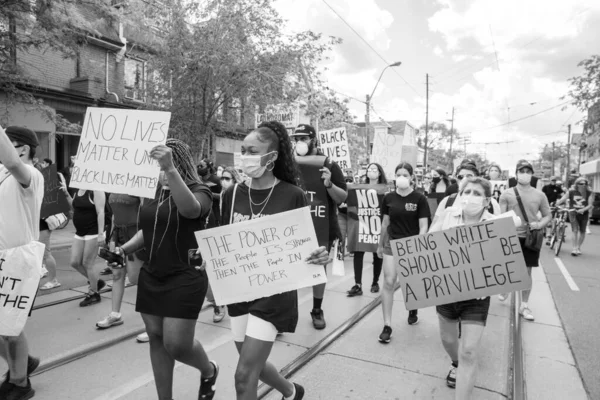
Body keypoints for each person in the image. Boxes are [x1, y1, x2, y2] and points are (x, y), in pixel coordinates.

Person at [220, 121, 330, 400]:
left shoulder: (293, 195)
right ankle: (292, 391)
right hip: (239, 291)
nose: (245, 156)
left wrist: (318, 255)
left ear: (271, 157)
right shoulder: (231, 195)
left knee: (244, 376)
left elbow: (306, 246)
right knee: (250, 361)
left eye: (252, 151)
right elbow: (221, 244)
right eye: (243, 150)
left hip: (273, 295)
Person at [110, 139, 219, 400]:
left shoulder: (199, 189)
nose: (156, 169)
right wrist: (124, 249)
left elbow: (191, 210)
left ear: (176, 161)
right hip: (153, 274)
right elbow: (147, 230)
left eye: (161, 163)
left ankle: (208, 370)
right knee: (156, 340)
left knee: (177, 344)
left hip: (185, 276)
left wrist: (170, 171)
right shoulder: (153, 192)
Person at [430, 177, 497, 397]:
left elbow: (500, 262)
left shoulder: (495, 224)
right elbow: (428, 245)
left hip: (477, 297)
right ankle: (455, 362)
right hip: (447, 290)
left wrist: (488, 284)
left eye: (477, 193)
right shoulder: (448, 216)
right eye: (467, 192)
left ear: (486, 200)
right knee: (449, 340)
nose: (471, 197)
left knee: (469, 351)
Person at [0, 125, 43, 400]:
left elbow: (12, 162)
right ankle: (23, 361)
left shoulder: (30, 176)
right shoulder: (2, 177)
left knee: (10, 327)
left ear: (23, 148)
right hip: (2, 261)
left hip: (19, 263)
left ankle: (20, 383)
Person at [291, 124, 348, 330]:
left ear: (313, 140)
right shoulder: (289, 163)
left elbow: (343, 198)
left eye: (304, 138)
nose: (300, 142)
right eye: (296, 138)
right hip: (295, 224)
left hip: (322, 224)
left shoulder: (329, 164)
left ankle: (317, 309)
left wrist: (329, 184)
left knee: (318, 267)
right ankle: (285, 312)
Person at [377, 162, 430, 342]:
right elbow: (385, 223)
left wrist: (418, 244)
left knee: (410, 281)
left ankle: (413, 308)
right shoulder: (389, 198)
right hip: (392, 244)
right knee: (389, 281)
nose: (401, 177)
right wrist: (379, 244)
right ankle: (387, 325)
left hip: (411, 245)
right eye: (398, 174)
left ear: (411, 177)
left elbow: (424, 225)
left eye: (405, 174)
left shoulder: (419, 199)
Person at [499, 160, 550, 320]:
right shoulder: (506, 194)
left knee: (527, 271)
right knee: (510, 268)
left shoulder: (540, 195)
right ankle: (507, 287)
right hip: (511, 236)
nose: (525, 174)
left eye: (528, 171)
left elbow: (548, 215)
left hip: (530, 237)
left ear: (532, 175)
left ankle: (524, 305)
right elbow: (501, 217)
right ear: (516, 174)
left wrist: (539, 224)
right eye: (522, 171)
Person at [95, 194, 145, 329]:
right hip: (117, 234)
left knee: (137, 279)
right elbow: (113, 215)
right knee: (117, 275)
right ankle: (115, 314)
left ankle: (154, 320)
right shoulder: (115, 183)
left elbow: (146, 211)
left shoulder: (140, 182)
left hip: (135, 234)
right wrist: (110, 237)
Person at [347, 163, 386, 296]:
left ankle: (375, 282)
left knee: (377, 254)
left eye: (374, 169)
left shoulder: (385, 189)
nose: (371, 171)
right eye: (369, 169)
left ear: (379, 173)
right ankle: (358, 284)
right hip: (363, 224)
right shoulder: (359, 188)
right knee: (358, 252)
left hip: (377, 225)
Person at [69, 183, 107, 306]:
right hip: (80, 232)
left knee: (87, 263)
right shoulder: (77, 189)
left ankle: (94, 294)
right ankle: (95, 281)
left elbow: (101, 212)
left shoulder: (96, 189)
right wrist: (65, 194)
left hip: (93, 231)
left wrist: (101, 234)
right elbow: (75, 207)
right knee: (75, 262)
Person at [434, 161, 501, 224]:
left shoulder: (492, 203)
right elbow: (434, 230)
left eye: (469, 176)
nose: (464, 179)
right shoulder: (447, 202)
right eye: (460, 177)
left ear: (477, 178)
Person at [556, 177, 594, 256]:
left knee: (582, 231)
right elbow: (563, 199)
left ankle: (578, 247)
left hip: (584, 213)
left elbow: (590, 205)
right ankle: (574, 248)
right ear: (577, 184)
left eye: (585, 184)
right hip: (573, 212)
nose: (583, 185)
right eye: (581, 184)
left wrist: (583, 209)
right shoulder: (571, 191)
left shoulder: (589, 192)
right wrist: (557, 203)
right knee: (575, 230)